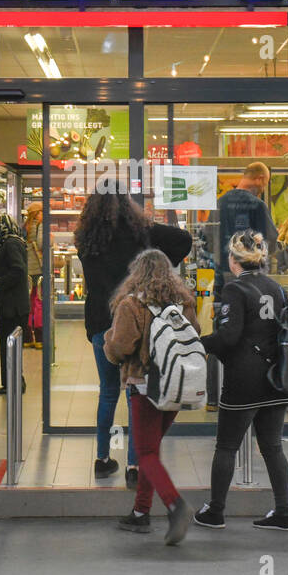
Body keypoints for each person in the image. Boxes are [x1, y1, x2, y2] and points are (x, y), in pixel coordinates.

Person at [75, 185, 191, 487]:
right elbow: (183, 240)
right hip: (136, 324)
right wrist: (162, 263)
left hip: (100, 323)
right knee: (135, 393)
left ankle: (102, 459)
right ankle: (134, 467)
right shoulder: (140, 234)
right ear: (126, 205)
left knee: (108, 391)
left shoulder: (87, 241)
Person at [196, 230, 288, 531]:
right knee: (273, 446)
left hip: (244, 380)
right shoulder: (276, 288)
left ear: (233, 259)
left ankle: (215, 511)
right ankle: (284, 512)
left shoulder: (234, 290)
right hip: (276, 377)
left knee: (226, 446)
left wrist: (200, 344)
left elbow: (229, 337)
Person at [103, 248, 198, 544]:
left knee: (145, 453)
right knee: (150, 450)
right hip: (176, 386)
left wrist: (107, 341)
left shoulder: (131, 305)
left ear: (137, 274)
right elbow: (195, 332)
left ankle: (175, 505)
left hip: (144, 387)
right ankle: (141, 512)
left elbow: (120, 349)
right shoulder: (184, 302)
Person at [213, 162, 277, 300]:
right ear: (259, 179)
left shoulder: (220, 203)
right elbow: (270, 241)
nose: (262, 189)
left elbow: (208, 239)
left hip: (220, 278)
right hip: (250, 281)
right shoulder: (258, 205)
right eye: (264, 184)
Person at [0, 213, 29, 395]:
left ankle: (13, 383)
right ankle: (12, 382)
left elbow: (18, 270)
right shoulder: (15, 241)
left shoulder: (10, 244)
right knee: (11, 345)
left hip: (12, 305)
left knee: (10, 345)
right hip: (14, 304)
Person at [23, 202, 44, 348]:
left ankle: (28, 337)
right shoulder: (40, 224)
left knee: (29, 303)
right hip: (38, 269)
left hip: (27, 269)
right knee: (39, 302)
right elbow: (42, 243)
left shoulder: (25, 227)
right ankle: (40, 338)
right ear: (37, 213)